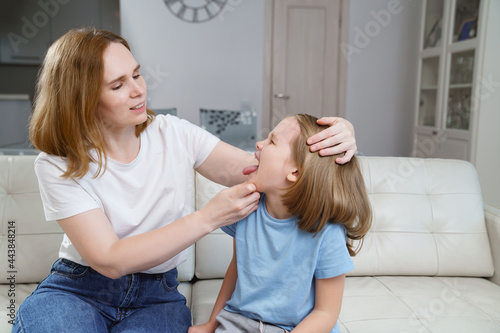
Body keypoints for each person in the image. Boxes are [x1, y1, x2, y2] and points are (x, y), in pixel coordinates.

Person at [12, 28, 357, 333]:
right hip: (79, 287)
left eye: (137, 75)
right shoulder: (58, 164)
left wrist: (336, 143)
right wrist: (208, 217)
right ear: (82, 100)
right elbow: (109, 259)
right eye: (118, 85)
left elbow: (269, 171)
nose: (138, 91)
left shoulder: (174, 134)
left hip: (156, 296)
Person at [189, 114, 372, 333]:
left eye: (272, 141)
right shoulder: (247, 209)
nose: (259, 144)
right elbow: (236, 269)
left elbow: (326, 313)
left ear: (295, 172)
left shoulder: (328, 232)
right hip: (239, 323)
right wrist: (212, 324)